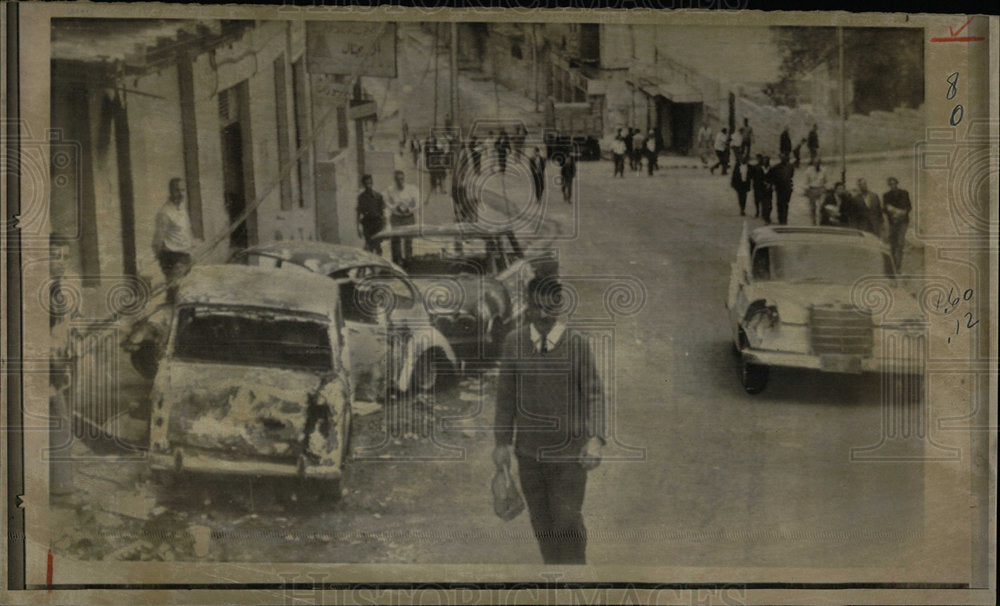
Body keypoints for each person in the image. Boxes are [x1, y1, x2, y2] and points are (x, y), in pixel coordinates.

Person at [493, 275, 605, 565]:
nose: (543, 315)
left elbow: (594, 393)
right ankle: (556, 579)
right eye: (536, 307)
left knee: (566, 521)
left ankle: (576, 578)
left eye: (550, 308)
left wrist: (595, 438)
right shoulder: (514, 343)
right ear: (527, 306)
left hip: (569, 456)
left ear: (560, 307)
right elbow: (505, 396)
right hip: (529, 455)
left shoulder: (577, 344)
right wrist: (502, 442)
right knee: (542, 525)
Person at [152, 177, 195, 304]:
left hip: (185, 255)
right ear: (171, 191)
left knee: (186, 291)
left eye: (183, 190)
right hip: (173, 257)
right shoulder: (165, 212)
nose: (181, 194)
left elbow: (184, 231)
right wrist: (163, 259)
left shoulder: (181, 208)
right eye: (177, 190)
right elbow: (158, 240)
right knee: (177, 293)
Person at [384, 170, 421, 263]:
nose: (400, 181)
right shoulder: (390, 189)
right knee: (396, 240)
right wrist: (394, 208)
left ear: (404, 178)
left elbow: (418, 202)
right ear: (394, 180)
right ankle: (397, 261)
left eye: (401, 179)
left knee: (408, 240)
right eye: (397, 179)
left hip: (408, 217)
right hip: (396, 217)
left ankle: (408, 260)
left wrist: (410, 209)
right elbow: (386, 202)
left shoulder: (411, 188)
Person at [883, 177, 912, 271]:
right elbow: (885, 209)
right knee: (893, 243)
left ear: (897, 183)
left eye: (894, 183)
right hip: (892, 222)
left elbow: (909, 207)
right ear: (889, 185)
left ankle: (898, 266)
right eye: (890, 184)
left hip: (903, 221)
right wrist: (892, 213)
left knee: (900, 243)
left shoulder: (904, 193)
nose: (892, 185)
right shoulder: (886, 195)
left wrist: (901, 212)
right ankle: (893, 264)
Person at [356, 174, 385, 254]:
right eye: (366, 184)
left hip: (377, 223)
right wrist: (358, 227)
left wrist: (384, 225)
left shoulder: (378, 196)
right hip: (367, 224)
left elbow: (382, 212)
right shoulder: (361, 197)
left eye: (370, 183)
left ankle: (379, 263)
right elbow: (359, 212)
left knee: (378, 245)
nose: (368, 186)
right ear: (363, 184)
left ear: (372, 183)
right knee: (369, 245)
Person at [768, 153, 796, 225]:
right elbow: (772, 177)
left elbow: (791, 176)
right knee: (780, 204)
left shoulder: (790, 166)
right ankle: (781, 219)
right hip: (780, 188)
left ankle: (784, 219)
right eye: (783, 158)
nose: (784, 159)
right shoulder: (776, 168)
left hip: (787, 188)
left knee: (786, 204)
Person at [750, 155, 773, 224]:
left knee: (768, 203)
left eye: (767, 161)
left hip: (768, 188)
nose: (765, 162)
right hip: (759, 188)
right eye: (764, 161)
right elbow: (754, 178)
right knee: (760, 201)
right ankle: (762, 214)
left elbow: (774, 178)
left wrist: (770, 184)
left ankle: (767, 216)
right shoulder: (757, 168)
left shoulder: (771, 169)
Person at [804, 160, 828, 225]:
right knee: (812, 207)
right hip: (812, 189)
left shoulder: (824, 170)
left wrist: (824, 189)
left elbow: (826, 181)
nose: (817, 165)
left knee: (821, 206)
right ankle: (813, 222)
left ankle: (821, 221)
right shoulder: (808, 171)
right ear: (813, 164)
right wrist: (807, 191)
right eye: (815, 164)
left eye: (818, 164)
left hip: (821, 189)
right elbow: (806, 182)